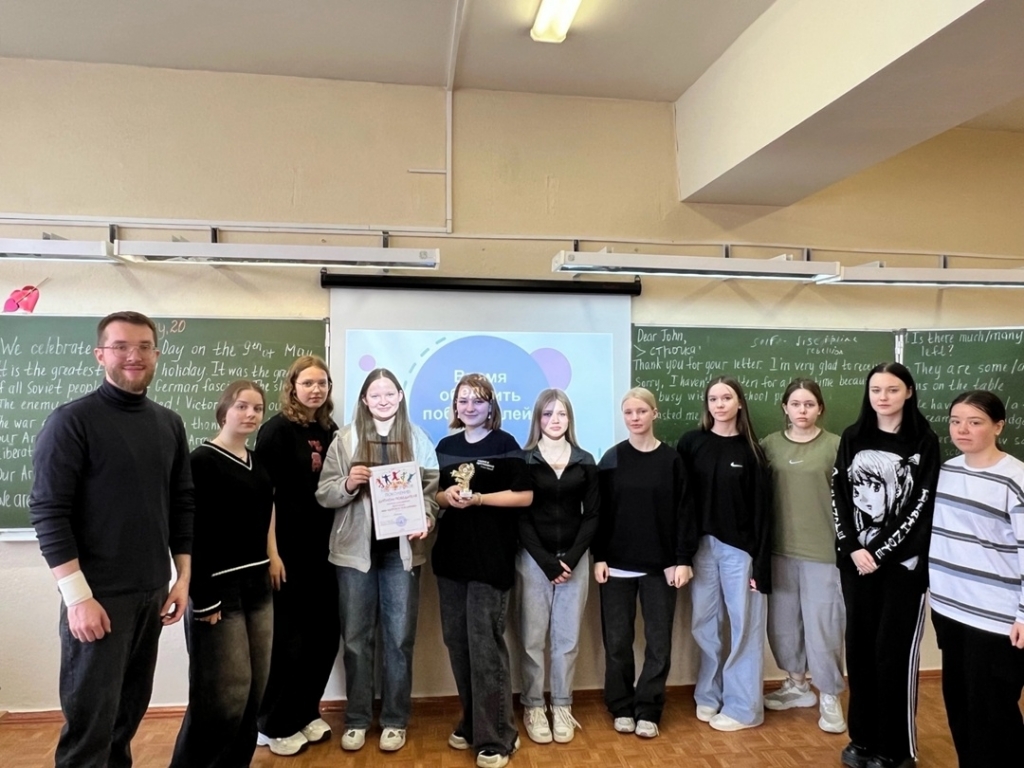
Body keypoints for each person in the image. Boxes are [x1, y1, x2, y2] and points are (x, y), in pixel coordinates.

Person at [29, 310, 194, 768]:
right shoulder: (72, 421)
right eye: (121, 346)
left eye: (143, 347)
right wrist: (77, 597)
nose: (133, 356)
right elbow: (48, 511)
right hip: (98, 598)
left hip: (152, 592)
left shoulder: (169, 423)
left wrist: (182, 578)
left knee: (126, 719)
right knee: (90, 727)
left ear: (156, 355)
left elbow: (182, 503)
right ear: (100, 354)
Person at [315, 368, 440, 753]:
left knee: (399, 640)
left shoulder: (418, 439)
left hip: (401, 556)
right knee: (356, 640)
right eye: (375, 394)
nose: (383, 400)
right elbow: (325, 494)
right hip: (355, 556)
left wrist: (427, 517)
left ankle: (395, 720)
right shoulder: (345, 439)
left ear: (400, 396)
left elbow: (431, 493)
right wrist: (349, 483)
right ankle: (356, 719)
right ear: (365, 400)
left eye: (389, 393)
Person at [832, 362, 939, 768]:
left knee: (891, 655)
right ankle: (862, 738)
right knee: (859, 652)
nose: (883, 397)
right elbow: (840, 496)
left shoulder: (923, 441)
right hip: (856, 566)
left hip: (901, 571)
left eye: (892, 389)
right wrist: (852, 547)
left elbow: (919, 506)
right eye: (876, 389)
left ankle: (896, 749)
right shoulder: (853, 436)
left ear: (908, 392)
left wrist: (879, 552)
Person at [170, 380, 274, 768]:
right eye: (242, 406)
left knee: (253, 694)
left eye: (257, 408)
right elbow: (190, 531)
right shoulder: (201, 461)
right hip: (219, 591)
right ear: (224, 410)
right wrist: (204, 596)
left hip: (258, 587)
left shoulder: (257, 462)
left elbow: (267, 513)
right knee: (221, 699)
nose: (250, 414)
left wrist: (273, 556)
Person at [433, 373, 533, 768]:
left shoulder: (505, 444)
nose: (470, 407)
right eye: (463, 400)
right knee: (458, 645)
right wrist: (447, 496)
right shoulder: (445, 446)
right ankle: (474, 721)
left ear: (491, 406)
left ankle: (498, 737)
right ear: (455, 407)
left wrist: (478, 499)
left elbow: (524, 495)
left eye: (478, 400)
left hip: (490, 560)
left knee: (485, 646)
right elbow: (436, 496)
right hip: (450, 560)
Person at [928, 390, 1024, 768]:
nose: (962, 430)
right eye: (956, 421)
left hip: (997, 618)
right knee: (960, 705)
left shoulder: (1015, 479)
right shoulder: (946, 472)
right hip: (950, 610)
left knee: (994, 712)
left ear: (998, 426)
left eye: (975, 422)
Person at [593, 387, 692, 740]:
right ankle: (621, 705)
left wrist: (681, 559)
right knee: (618, 642)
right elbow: (600, 513)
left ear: (654, 413)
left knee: (658, 643)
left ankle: (649, 708)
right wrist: (599, 556)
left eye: (641, 411)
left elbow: (684, 513)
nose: (635, 418)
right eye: (628, 412)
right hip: (616, 567)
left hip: (660, 568)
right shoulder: (611, 458)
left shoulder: (672, 460)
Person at [255, 355, 340, 756]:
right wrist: (272, 554)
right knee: (287, 641)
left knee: (323, 636)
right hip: (287, 552)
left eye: (322, 383)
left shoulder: (330, 430)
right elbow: (264, 498)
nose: (315, 389)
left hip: (325, 552)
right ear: (292, 387)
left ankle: (305, 711)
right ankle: (272, 723)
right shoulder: (275, 431)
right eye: (307, 383)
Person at [677, 375, 771, 732]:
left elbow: (763, 512)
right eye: (713, 398)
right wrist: (682, 553)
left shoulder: (752, 452)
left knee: (744, 627)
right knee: (704, 625)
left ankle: (744, 708)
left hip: (739, 552)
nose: (719, 404)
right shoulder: (692, 443)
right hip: (701, 549)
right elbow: (681, 501)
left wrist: (760, 564)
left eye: (726, 397)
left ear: (739, 403)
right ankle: (708, 694)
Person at [760, 379, 846, 733]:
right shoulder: (769, 446)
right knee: (783, 626)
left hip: (823, 553)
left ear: (820, 408)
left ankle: (829, 694)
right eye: (795, 404)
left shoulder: (836, 446)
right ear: (785, 407)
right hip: (778, 551)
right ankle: (797, 685)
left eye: (809, 404)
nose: (802, 410)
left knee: (824, 627)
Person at [516, 389, 599, 745]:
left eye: (561, 414)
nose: (555, 420)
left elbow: (593, 515)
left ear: (570, 419)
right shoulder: (524, 460)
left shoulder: (585, 460)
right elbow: (521, 517)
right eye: (548, 414)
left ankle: (562, 705)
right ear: (538, 419)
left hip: (575, 561)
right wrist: (547, 562)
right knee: (532, 639)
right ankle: (534, 706)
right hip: (533, 561)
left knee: (566, 640)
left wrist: (571, 559)